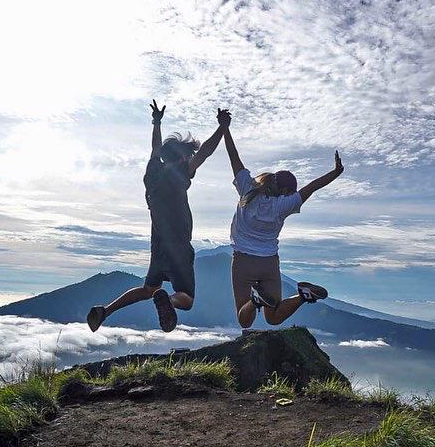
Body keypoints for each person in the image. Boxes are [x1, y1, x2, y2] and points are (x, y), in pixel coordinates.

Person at [87, 101, 231, 332]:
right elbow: (204, 153)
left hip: (158, 245)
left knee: (148, 289)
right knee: (186, 298)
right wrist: (222, 128)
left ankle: (106, 310)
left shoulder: (152, 173)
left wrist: (156, 122)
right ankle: (169, 301)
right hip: (179, 247)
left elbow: (155, 148)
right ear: (183, 158)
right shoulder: (179, 173)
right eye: (187, 156)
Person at [222, 115, 344, 328]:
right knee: (274, 317)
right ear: (287, 192)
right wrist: (335, 173)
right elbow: (312, 187)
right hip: (269, 262)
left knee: (245, 320)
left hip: (243, 260)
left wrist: (225, 128)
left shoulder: (247, 189)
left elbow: (234, 156)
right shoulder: (284, 205)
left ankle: (254, 301)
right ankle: (303, 295)